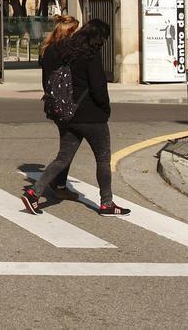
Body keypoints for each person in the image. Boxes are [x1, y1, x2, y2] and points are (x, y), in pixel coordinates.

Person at [22, 19, 131, 217]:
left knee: (63, 158)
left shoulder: (65, 51)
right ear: (98, 38)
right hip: (92, 117)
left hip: (68, 114)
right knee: (103, 159)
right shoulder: (91, 55)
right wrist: (105, 109)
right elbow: (99, 89)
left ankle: (33, 193)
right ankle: (106, 203)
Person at [37, 14, 80, 200]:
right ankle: (54, 183)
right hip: (66, 101)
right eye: (77, 31)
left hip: (53, 101)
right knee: (68, 146)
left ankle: (59, 182)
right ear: (70, 31)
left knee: (67, 143)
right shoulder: (66, 50)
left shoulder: (48, 48)